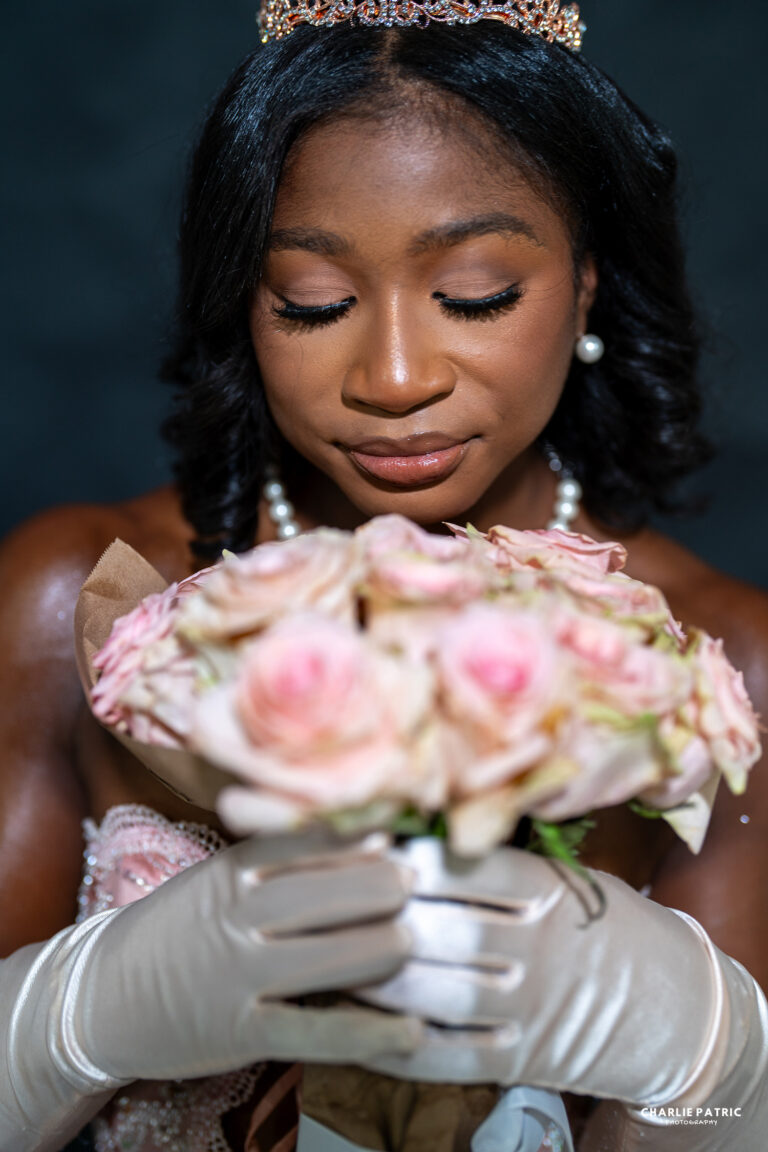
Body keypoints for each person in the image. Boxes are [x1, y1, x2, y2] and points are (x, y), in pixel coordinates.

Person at [1, 7, 767, 1151]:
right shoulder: (81, 593)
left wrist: (701, 1046)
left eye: (475, 294)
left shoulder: (718, 659)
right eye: (312, 302)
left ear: (589, 284)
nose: (395, 377)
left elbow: (709, 1119)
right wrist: (78, 1017)